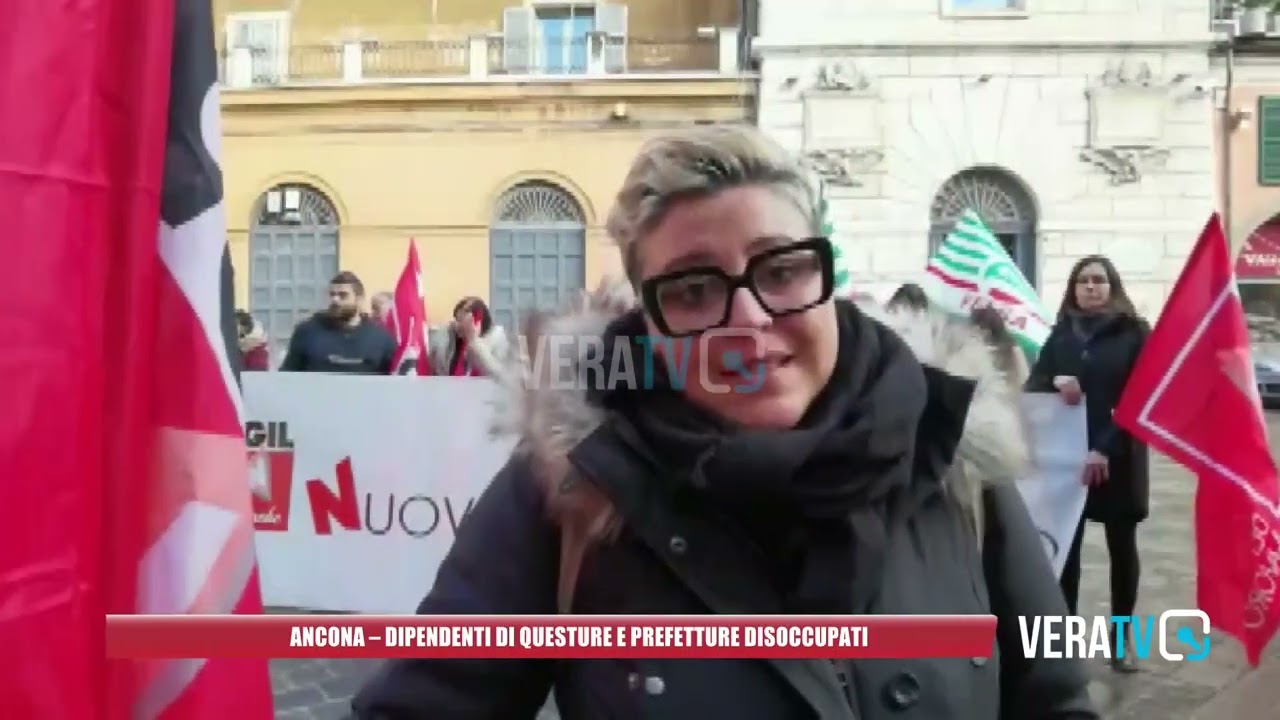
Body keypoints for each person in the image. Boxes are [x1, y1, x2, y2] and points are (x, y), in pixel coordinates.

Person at [353, 126, 1096, 719]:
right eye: (694, 289)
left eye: (780, 271)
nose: (746, 322)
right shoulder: (572, 482)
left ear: (827, 273)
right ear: (649, 318)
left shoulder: (951, 451)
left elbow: (1055, 702)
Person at [1025, 254, 1150, 673]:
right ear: (1073, 290)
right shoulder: (1061, 336)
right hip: (1069, 462)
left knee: (1121, 548)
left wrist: (1106, 448)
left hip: (1118, 457)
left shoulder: (1134, 334)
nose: (1091, 287)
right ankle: (1064, 639)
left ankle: (1120, 639)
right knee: (1067, 549)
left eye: (1099, 280)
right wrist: (1054, 381)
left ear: (1112, 287)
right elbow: (1034, 386)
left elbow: (1141, 397)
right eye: (1083, 281)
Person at [279, 271, 397, 374]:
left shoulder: (381, 339)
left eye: (343, 295)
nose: (335, 300)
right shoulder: (307, 332)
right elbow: (287, 377)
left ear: (359, 299)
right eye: (332, 295)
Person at [428, 296, 509, 379]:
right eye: (456, 319)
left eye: (460, 319)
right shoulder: (453, 336)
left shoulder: (496, 337)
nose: (457, 324)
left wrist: (474, 342)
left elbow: (499, 375)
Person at [971, 305, 1030, 386]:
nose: (975, 333)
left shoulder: (1012, 349)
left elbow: (1024, 378)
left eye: (980, 329)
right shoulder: (974, 349)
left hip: (1006, 394)